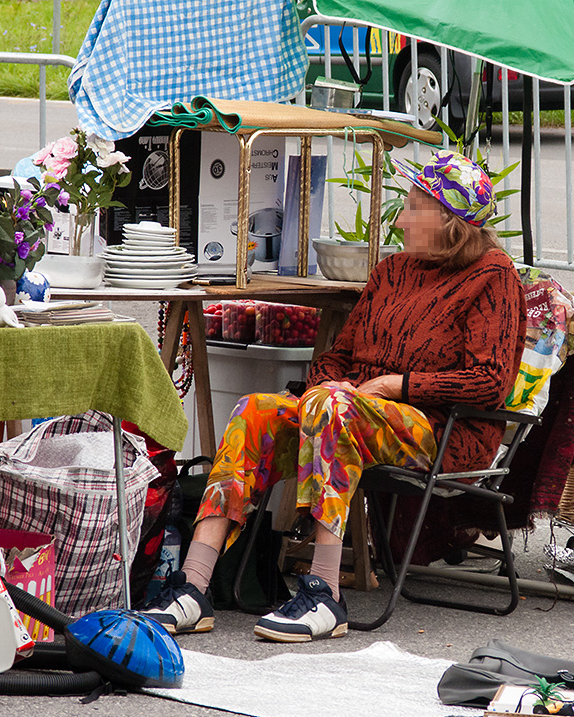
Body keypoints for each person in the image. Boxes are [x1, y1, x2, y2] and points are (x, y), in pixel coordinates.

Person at [141, 150, 526, 642]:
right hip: (351, 412)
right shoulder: (393, 273)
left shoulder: (492, 278)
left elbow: (489, 380)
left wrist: (394, 386)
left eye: (413, 206)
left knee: (334, 408)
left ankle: (325, 592)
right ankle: (193, 586)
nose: (401, 218)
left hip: (443, 430)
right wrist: (329, 382)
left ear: (449, 222)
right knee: (257, 410)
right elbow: (336, 356)